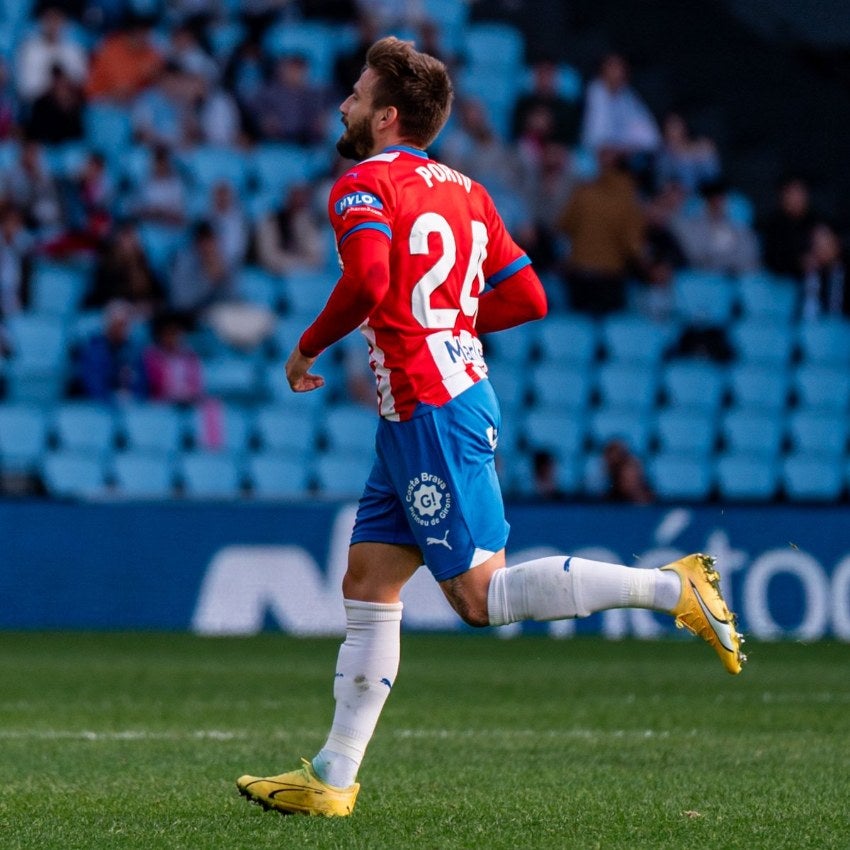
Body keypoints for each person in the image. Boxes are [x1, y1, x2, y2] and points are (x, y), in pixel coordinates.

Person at [236, 37, 745, 820]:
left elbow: (370, 280)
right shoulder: (469, 192)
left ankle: (673, 587)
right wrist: (448, 318)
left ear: (386, 115)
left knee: (480, 599)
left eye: (355, 92)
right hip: (428, 407)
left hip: (431, 408)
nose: (343, 102)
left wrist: (307, 346)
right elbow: (530, 296)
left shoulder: (362, 185)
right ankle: (332, 776)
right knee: (369, 579)